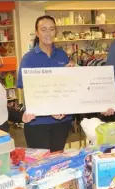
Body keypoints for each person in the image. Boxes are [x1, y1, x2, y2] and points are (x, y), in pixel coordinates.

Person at [17, 15, 74, 152]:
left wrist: (73, 73)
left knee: (58, 160)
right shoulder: (29, 59)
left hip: (62, 120)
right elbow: (29, 92)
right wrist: (49, 110)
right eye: (43, 29)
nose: (48, 33)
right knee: (41, 163)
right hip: (38, 123)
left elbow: (67, 87)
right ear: (37, 33)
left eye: (52, 29)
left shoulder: (62, 55)